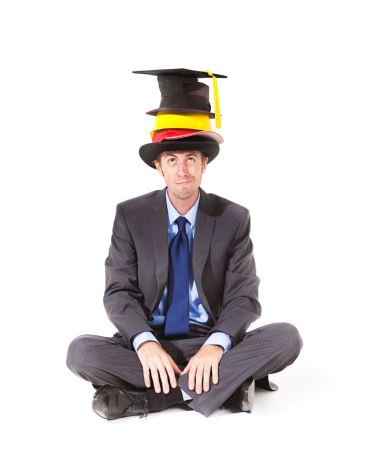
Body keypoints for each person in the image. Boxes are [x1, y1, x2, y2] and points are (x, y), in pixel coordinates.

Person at [66, 69, 303, 419]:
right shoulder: (130, 215)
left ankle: (150, 398)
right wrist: (145, 343)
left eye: (191, 158)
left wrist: (216, 345)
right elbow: (118, 292)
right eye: (172, 160)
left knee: (287, 338)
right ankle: (225, 389)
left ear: (205, 163)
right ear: (158, 167)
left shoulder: (232, 217)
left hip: (210, 341)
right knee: (80, 352)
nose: (183, 171)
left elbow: (244, 296)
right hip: (151, 343)